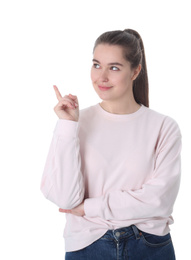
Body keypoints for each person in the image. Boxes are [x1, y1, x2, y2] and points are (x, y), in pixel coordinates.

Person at [41, 29, 182, 260]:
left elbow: (159, 200)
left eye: (114, 67)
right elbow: (66, 199)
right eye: (96, 65)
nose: (101, 77)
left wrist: (89, 208)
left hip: (149, 246)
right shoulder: (75, 123)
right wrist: (67, 127)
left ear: (135, 71)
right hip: (87, 246)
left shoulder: (163, 127)